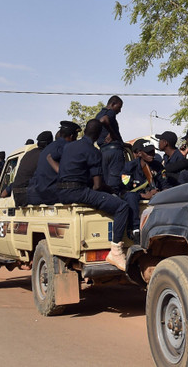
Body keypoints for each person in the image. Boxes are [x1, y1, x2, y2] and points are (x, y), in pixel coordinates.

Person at [55, 119, 130, 271]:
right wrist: (111, 192)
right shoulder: (93, 151)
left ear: (84, 132)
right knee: (122, 206)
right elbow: (97, 185)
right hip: (78, 192)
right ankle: (115, 251)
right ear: (97, 135)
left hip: (62, 193)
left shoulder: (69, 147)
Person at [26, 122, 81, 205]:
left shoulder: (47, 148)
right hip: (54, 193)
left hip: (40, 193)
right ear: (72, 136)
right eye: (76, 136)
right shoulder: (68, 147)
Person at [4, 131, 52, 202]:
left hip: (19, 196)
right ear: (49, 144)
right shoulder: (46, 155)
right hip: (31, 194)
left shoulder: (28, 154)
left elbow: (3, 194)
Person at [95, 96, 125, 193]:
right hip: (114, 152)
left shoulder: (98, 114)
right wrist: (112, 133)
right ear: (112, 104)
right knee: (115, 185)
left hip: (103, 151)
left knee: (106, 183)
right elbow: (104, 120)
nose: (119, 111)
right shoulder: (110, 112)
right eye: (119, 107)